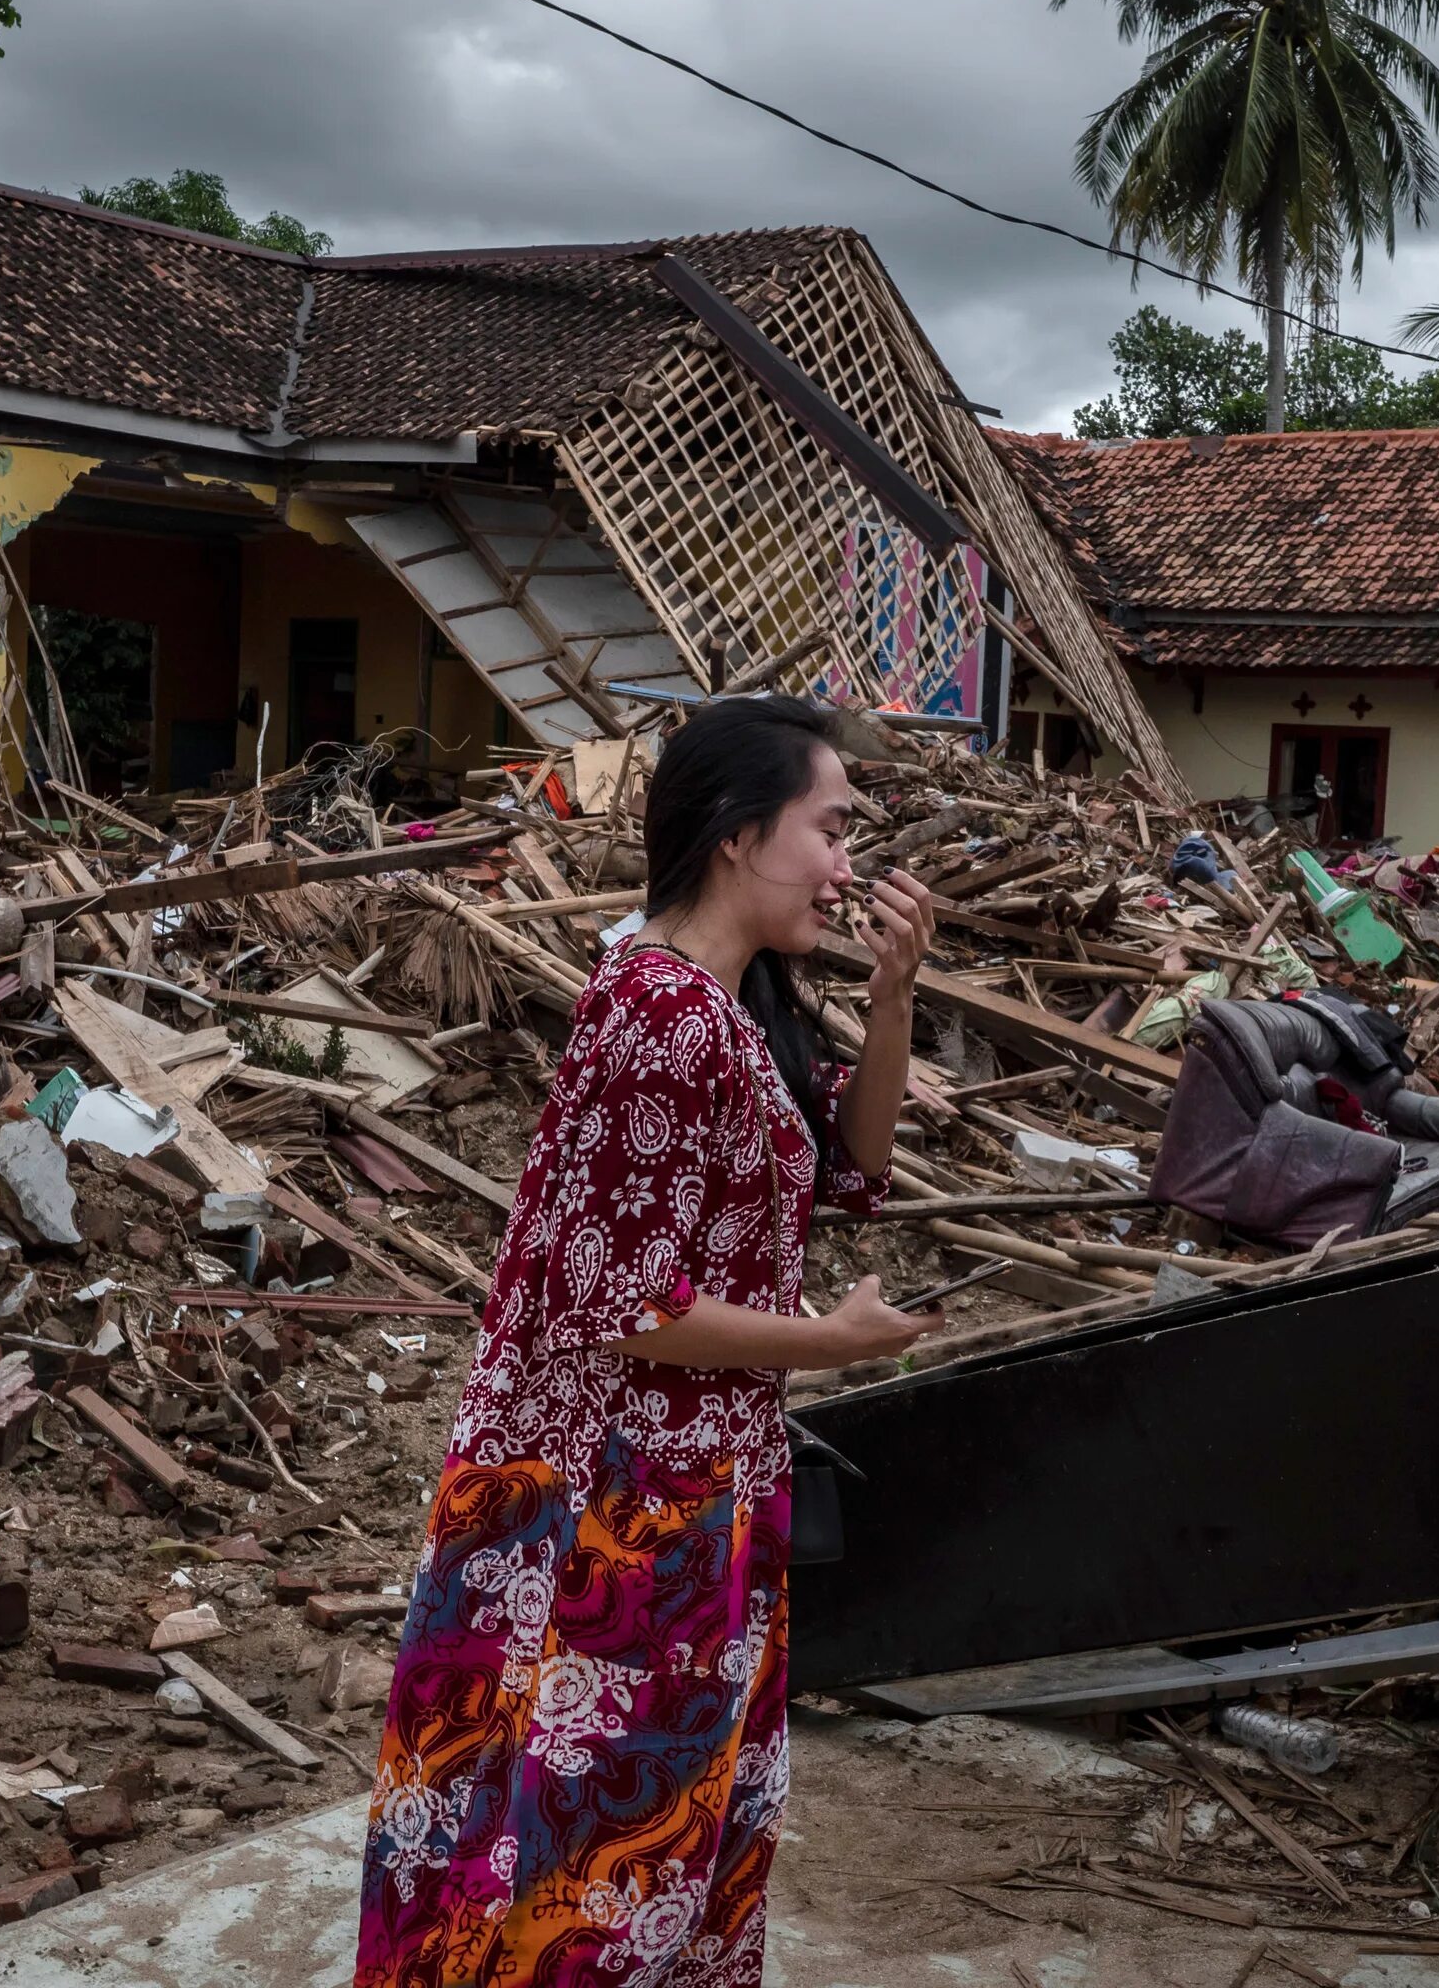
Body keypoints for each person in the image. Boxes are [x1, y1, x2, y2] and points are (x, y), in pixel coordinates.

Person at [355, 695, 945, 1987]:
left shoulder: (731, 1004)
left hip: (691, 1502)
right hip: (606, 1520)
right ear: (738, 834)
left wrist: (893, 998)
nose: (849, 865)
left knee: (651, 1854)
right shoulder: (665, 1018)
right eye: (831, 829)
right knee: (582, 1873)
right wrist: (828, 1343)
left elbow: (852, 1172)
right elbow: (630, 1309)